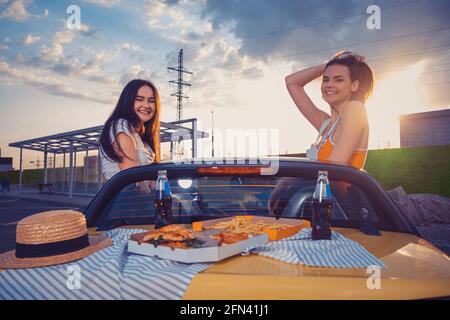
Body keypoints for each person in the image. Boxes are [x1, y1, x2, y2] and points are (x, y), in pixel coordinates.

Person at [285, 51, 374, 169]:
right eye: (326, 79)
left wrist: (333, 65)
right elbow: (291, 82)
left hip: (334, 187)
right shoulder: (327, 125)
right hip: (320, 186)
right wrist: (330, 64)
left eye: (338, 80)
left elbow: (332, 170)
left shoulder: (355, 108)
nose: (329, 85)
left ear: (354, 85)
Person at [99, 79, 161, 189]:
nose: (146, 105)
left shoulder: (139, 136)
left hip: (133, 202)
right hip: (125, 202)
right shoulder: (121, 125)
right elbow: (133, 181)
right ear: (128, 101)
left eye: (151, 101)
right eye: (139, 99)